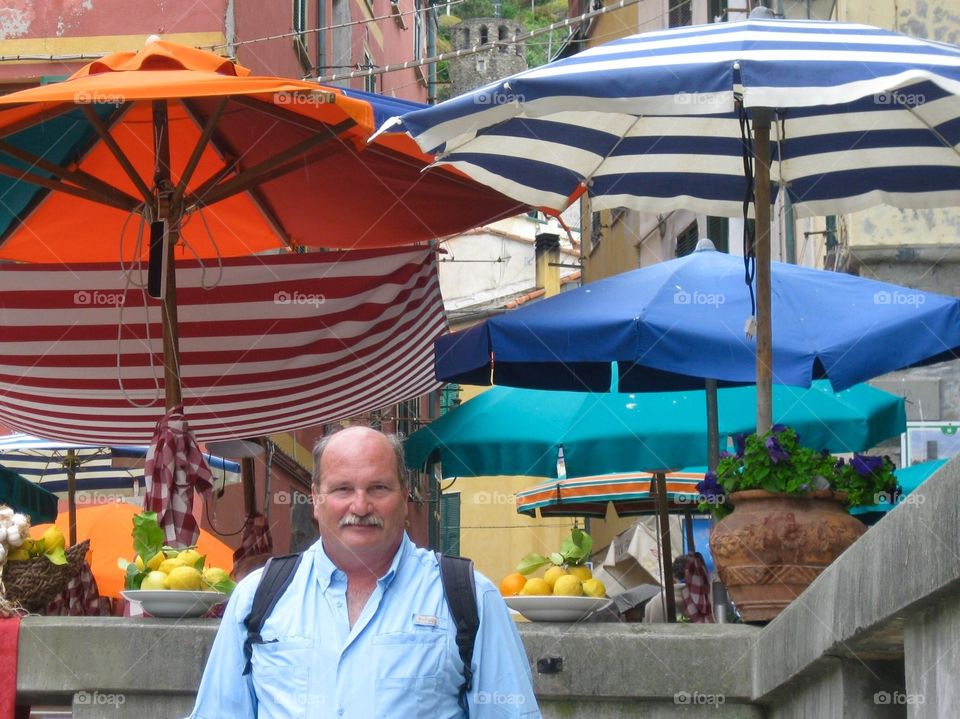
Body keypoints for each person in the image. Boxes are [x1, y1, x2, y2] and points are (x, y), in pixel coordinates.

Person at [188, 426, 540, 718]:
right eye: (342, 489)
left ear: (404, 496)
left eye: (378, 488)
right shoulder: (257, 597)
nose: (360, 506)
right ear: (315, 498)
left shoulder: (468, 596)